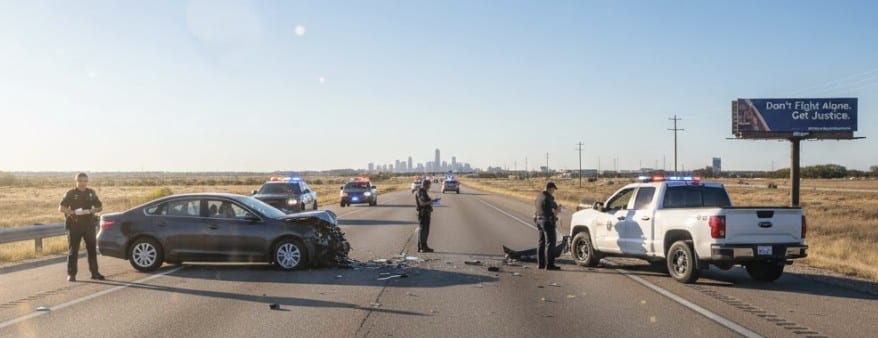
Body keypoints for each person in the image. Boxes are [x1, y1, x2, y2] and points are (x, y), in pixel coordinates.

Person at [58, 172, 105, 281]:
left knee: (92, 250)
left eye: (85, 181)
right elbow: (61, 208)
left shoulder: (91, 193)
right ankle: (71, 274)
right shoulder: (70, 193)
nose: (83, 183)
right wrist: (73, 212)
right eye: (81, 181)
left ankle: (95, 273)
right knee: (73, 250)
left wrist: (93, 210)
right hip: (74, 225)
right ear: (76, 181)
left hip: (89, 225)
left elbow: (99, 207)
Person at [534, 182, 562, 270]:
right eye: (553, 189)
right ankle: (550, 265)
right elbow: (555, 211)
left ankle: (540, 264)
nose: (553, 191)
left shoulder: (539, 196)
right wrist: (558, 209)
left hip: (539, 220)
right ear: (550, 188)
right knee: (550, 243)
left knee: (541, 242)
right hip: (547, 222)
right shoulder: (548, 198)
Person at [415, 180, 440, 253]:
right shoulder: (421, 192)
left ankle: (424, 246)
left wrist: (433, 201)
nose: (429, 187)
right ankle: (422, 247)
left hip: (426, 213)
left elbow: (426, 202)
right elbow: (422, 203)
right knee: (423, 231)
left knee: (425, 231)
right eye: (429, 185)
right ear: (425, 185)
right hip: (423, 214)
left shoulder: (423, 192)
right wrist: (432, 201)